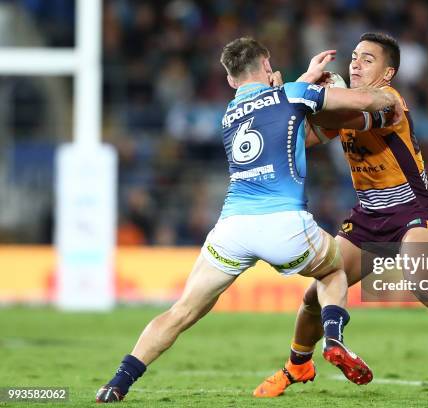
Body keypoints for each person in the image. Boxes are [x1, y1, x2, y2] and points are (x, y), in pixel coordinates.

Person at [95, 37, 405, 403]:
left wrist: (306, 79)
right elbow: (362, 100)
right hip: (285, 225)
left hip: (232, 228)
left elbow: (287, 128)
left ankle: (117, 383)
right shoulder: (291, 94)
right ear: (267, 64)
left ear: (230, 81)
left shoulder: (228, 114)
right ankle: (334, 336)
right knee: (333, 272)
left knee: (181, 312)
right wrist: (389, 100)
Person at [254, 32, 428, 398]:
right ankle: (298, 366)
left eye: (367, 59)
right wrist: (278, 101)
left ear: (387, 74)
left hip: (413, 211)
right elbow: (298, 138)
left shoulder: (388, 101)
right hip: (368, 218)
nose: (355, 63)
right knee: (316, 294)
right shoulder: (343, 110)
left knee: (421, 279)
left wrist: (305, 92)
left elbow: (352, 111)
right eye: (354, 56)